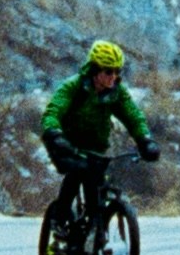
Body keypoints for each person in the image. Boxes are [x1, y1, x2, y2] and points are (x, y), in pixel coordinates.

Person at [39, 40, 157, 213]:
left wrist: (145, 140)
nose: (113, 76)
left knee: (95, 186)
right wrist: (54, 134)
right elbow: (53, 112)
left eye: (118, 71)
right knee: (77, 170)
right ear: (95, 70)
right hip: (65, 144)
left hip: (95, 147)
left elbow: (132, 115)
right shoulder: (73, 87)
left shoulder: (116, 92)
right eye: (108, 71)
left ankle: (95, 228)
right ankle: (60, 216)